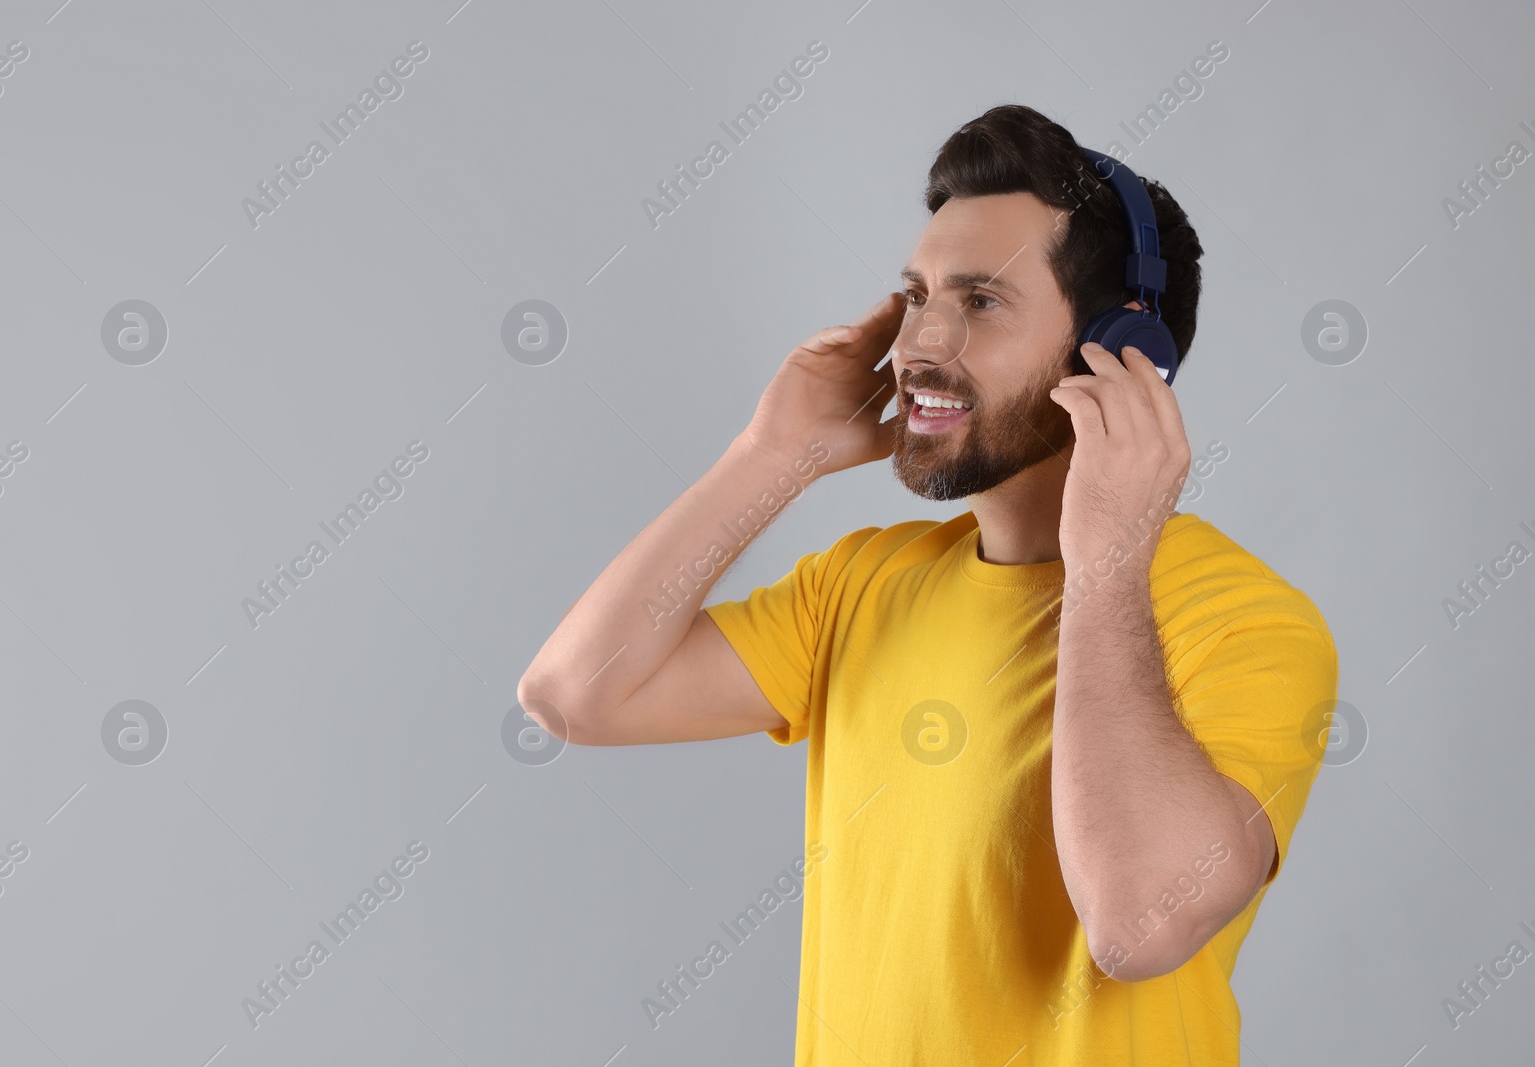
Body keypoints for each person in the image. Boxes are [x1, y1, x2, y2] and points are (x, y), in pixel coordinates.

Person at [517, 103, 1338, 1066]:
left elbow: (1139, 926)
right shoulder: (863, 584)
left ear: (1124, 352)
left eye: (981, 301)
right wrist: (772, 453)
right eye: (915, 297)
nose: (917, 344)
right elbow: (574, 693)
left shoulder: (1250, 621)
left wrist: (1109, 566)